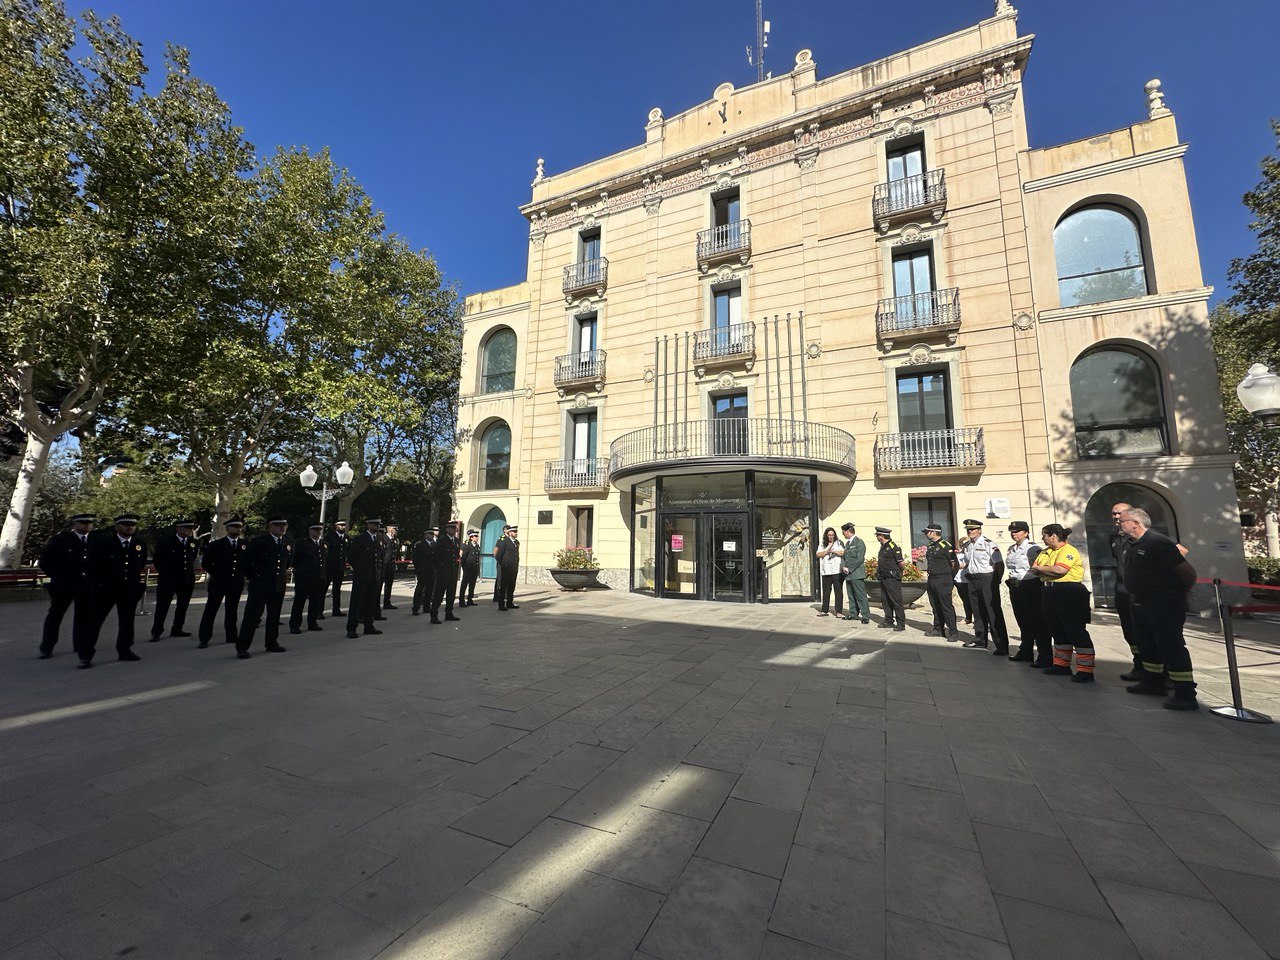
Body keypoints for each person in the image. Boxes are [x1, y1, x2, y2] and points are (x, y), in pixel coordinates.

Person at [1118, 508, 1199, 710]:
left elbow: (1187, 572)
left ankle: (1185, 691)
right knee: (1146, 642)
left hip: (1163, 601)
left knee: (1170, 644)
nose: (1119, 522)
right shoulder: (1130, 544)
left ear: (1136, 523)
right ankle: (1153, 682)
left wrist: (1176, 593)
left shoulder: (1157, 542)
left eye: (1123, 520)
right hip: (1140, 600)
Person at [75, 513, 148, 668]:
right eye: (126, 524)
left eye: (132, 525)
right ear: (117, 527)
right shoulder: (104, 543)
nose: (130, 527)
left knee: (127, 622)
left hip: (128, 590)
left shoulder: (139, 544)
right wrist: (97, 585)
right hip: (106, 590)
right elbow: (90, 566)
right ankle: (86, 655)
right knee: (94, 622)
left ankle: (125, 650)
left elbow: (139, 565)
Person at [1032, 524, 1095, 683]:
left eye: (1044, 535)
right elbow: (1034, 568)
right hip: (1049, 591)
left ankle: (1085, 670)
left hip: (1069, 592)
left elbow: (1060, 570)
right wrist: (1045, 569)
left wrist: (1042, 569)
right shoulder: (1046, 551)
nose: (1042, 539)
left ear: (1053, 536)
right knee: (1057, 629)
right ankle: (1061, 665)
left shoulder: (1068, 550)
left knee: (1075, 630)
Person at [37, 513, 94, 659]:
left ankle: (80, 644)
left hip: (86, 585)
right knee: (55, 615)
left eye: (89, 523)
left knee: (84, 616)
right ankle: (47, 646)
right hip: (64, 585)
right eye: (82, 522)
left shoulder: (95, 540)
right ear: (74, 524)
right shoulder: (61, 540)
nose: (86, 525)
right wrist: (59, 576)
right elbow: (45, 561)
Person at [236, 518, 292, 659]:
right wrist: (255, 577)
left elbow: (288, 562)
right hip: (260, 585)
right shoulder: (259, 542)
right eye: (278, 525)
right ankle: (242, 647)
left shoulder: (288, 542)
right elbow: (245, 563)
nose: (281, 528)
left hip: (278, 585)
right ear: (270, 526)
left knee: (274, 616)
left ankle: (271, 642)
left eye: (284, 525)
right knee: (252, 617)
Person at [958, 519, 1008, 654]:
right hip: (973, 580)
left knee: (992, 611)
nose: (970, 532)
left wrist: (995, 581)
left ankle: (1001, 645)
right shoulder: (967, 545)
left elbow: (998, 564)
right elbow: (969, 563)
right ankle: (980, 639)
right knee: (977, 611)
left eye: (973, 529)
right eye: (968, 530)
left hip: (987, 579)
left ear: (979, 530)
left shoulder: (989, 544)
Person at [1005, 521, 1050, 665]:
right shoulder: (1012, 549)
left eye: (1017, 531)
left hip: (1030, 585)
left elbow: (1040, 568)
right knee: (1022, 620)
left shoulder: (1033, 548)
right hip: (1016, 586)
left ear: (1026, 533)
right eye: (1012, 532)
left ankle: (1045, 655)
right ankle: (1025, 651)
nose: (1014, 534)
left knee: (1036, 621)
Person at [198, 518, 247, 648]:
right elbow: (206, 563)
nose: (237, 529)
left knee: (232, 610)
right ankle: (204, 637)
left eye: (239, 527)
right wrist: (217, 573)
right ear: (227, 529)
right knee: (211, 609)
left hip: (235, 582)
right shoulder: (217, 544)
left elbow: (247, 562)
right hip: (219, 582)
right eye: (234, 527)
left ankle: (231, 635)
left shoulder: (244, 544)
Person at [150, 520, 199, 641]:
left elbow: (191, 559)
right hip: (168, 579)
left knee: (182, 606)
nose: (190, 530)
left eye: (191, 528)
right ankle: (157, 631)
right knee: (162, 606)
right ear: (178, 529)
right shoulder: (166, 542)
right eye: (187, 528)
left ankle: (177, 628)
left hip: (186, 579)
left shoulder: (193, 543)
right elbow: (158, 560)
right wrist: (167, 573)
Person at [346, 518, 385, 638]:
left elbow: (380, 556)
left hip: (374, 575)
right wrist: (360, 569)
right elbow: (352, 557)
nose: (377, 526)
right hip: (362, 575)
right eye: (374, 524)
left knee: (371, 602)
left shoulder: (378, 539)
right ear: (368, 525)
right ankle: (351, 628)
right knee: (357, 602)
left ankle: (369, 625)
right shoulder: (360, 539)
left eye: (378, 524)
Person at [921, 524, 960, 641]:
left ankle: (953, 632)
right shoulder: (930, 546)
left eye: (927, 532)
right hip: (932, 578)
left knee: (946, 606)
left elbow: (955, 564)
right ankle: (938, 629)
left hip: (943, 579)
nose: (926, 534)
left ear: (933, 532)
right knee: (935, 605)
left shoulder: (946, 546)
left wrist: (950, 578)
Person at [289, 522, 328, 634]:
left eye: (319, 530)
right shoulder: (302, 543)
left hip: (318, 577)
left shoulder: (323, 544)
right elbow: (295, 559)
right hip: (304, 577)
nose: (318, 532)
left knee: (315, 601)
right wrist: (301, 571)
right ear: (310, 531)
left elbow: (325, 561)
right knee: (299, 601)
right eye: (315, 530)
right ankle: (295, 625)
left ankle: (312, 622)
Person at [873, 526, 906, 631]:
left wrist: (899, 573)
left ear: (882, 536)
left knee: (896, 601)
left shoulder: (893, 546)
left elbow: (901, 563)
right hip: (884, 578)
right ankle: (889, 621)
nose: (877, 537)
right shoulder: (882, 546)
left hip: (892, 578)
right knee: (885, 601)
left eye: (877, 535)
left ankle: (900, 623)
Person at [430, 520, 462, 623]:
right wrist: (439, 569)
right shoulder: (442, 541)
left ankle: (449, 613)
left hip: (452, 571)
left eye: (455, 528)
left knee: (451, 594)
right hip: (443, 571)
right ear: (447, 529)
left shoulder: (456, 541)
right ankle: (434, 614)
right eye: (452, 528)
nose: (454, 530)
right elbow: (436, 557)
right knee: (439, 594)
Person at [840, 523, 870, 624]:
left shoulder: (859, 543)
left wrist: (849, 568)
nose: (843, 534)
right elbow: (844, 557)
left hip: (856, 573)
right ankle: (853, 613)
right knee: (851, 595)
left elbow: (859, 559)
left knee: (860, 595)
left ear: (848, 531)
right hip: (848, 574)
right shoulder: (847, 544)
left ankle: (865, 615)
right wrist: (843, 566)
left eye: (843, 532)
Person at [815, 527, 844, 617]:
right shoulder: (822, 544)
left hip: (837, 571)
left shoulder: (839, 543)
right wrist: (827, 550)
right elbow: (818, 554)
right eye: (829, 535)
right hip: (826, 571)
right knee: (826, 591)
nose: (831, 537)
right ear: (826, 536)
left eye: (832, 535)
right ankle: (824, 610)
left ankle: (838, 611)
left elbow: (843, 553)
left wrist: (834, 551)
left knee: (838, 592)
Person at [323, 519, 350, 616]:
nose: (343, 527)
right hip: (330, 566)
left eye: (344, 525)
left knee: (337, 589)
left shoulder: (346, 538)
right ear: (336, 526)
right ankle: (319, 611)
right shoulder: (329, 537)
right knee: (324, 588)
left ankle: (336, 609)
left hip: (340, 567)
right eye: (341, 525)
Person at [496, 524, 520, 611]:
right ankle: (501, 604)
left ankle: (510, 602)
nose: (516, 533)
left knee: (511, 585)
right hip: (506, 567)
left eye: (516, 531)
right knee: (504, 586)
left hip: (514, 567)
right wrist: (503, 564)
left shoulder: (516, 542)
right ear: (510, 533)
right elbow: (499, 555)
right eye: (514, 531)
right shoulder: (505, 542)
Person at [411, 529, 436, 616]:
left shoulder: (434, 545)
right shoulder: (420, 545)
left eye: (433, 534)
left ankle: (426, 607)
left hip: (431, 571)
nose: (432, 535)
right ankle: (415, 608)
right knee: (420, 590)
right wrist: (419, 569)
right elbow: (415, 559)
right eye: (430, 534)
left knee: (429, 590)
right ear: (425, 535)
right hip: (422, 571)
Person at [459, 529, 482, 607]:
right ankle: (461, 600)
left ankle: (470, 599)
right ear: (471, 537)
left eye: (477, 536)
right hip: (468, 568)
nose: (477, 538)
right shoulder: (466, 545)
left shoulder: (477, 545)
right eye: (475, 536)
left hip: (474, 568)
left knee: (472, 584)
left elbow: (477, 557)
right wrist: (464, 567)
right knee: (464, 584)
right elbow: (463, 558)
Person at [380, 523, 400, 610]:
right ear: (391, 530)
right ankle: (375, 604)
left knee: (389, 585)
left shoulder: (394, 540)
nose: (396, 531)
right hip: (383, 565)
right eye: (395, 529)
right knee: (379, 585)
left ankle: (387, 602)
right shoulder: (383, 538)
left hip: (391, 565)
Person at [492, 524, 508, 602]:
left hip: (507, 563)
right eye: (507, 529)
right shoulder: (501, 539)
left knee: (506, 579)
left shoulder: (510, 539)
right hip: (501, 562)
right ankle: (497, 595)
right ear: (504, 530)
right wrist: (498, 559)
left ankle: (505, 594)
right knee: (499, 578)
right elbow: (496, 550)